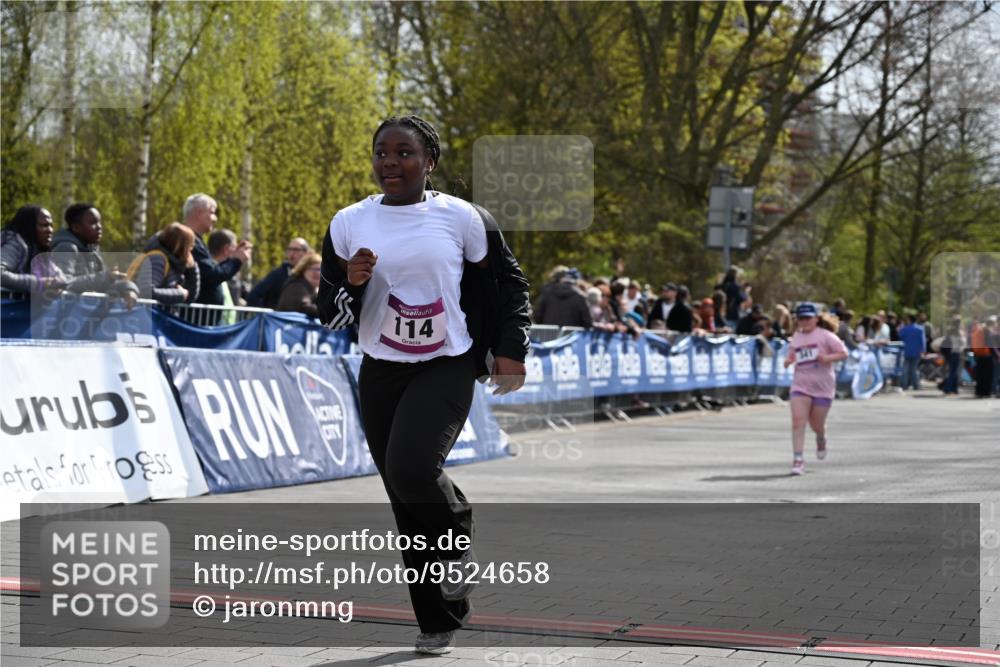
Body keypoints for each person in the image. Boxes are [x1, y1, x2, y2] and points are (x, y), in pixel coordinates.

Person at [316, 115, 530, 655]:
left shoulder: (463, 218)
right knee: (404, 498)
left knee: (415, 471)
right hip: (381, 368)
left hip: (446, 362)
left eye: (404, 153)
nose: (391, 162)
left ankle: (457, 535)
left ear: (429, 161)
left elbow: (508, 285)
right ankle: (438, 620)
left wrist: (510, 350)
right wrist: (351, 282)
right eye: (381, 153)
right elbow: (330, 314)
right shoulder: (348, 223)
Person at [783, 302, 849, 476]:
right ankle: (798, 459)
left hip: (822, 385)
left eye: (807, 318)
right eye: (800, 318)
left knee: (816, 424)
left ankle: (820, 437)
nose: (804, 321)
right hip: (801, 384)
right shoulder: (796, 336)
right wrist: (788, 360)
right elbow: (792, 354)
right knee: (798, 421)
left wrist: (827, 358)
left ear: (816, 318)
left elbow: (843, 353)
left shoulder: (826, 336)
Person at [47, 203, 138, 303]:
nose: (99, 227)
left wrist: (128, 288)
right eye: (93, 223)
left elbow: (104, 285)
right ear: (76, 228)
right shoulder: (66, 248)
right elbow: (62, 283)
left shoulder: (93, 251)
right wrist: (106, 277)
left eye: (99, 222)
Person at [181, 193, 252, 308]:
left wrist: (233, 258)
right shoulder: (188, 240)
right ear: (199, 213)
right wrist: (236, 260)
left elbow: (210, 270)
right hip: (194, 319)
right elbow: (212, 276)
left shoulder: (194, 239)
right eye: (212, 212)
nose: (215, 219)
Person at [125, 222, 199, 305]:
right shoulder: (158, 259)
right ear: (180, 246)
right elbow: (146, 291)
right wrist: (179, 294)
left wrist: (192, 269)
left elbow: (189, 297)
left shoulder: (174, 262)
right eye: (190, 245)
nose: (191, 250)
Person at [1, 205, 63, 299]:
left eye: (51, 226)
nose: (50, 230)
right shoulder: (15, 244)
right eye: (44, 225)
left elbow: (58, 276)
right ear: (29, 226)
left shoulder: (38, 250)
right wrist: (39, 283)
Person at [246, 237, 311, 308]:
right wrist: (268, 315)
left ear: (306, 253)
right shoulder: (278, 274)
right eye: (289, 250)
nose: (291, 254)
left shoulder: (312, 274)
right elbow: (253, 296)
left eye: (296, 250)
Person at [276, 251, 322, 318]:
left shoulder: (313, 289)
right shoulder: (296, 286)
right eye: (315, 269)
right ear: (303, 270)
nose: (318, 273)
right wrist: (328, 312)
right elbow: (304, 308)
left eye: (321, 270)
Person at [938, 316, 965, 395]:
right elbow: (962, 343)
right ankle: (948, 388)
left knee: (953, 372)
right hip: (956, 353)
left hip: (950, 353)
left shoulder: (950, 331)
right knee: (953, 372)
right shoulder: (959, 332)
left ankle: (954, 389)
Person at [898, 314, 925, 391]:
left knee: (905, 370)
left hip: (906, 351)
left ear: (909, 320)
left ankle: (904, 385)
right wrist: (923, 351)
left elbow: (900, 337)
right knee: (915, 370)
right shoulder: (920, 329)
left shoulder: (904, 329)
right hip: (916, 352)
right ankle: (916, 385)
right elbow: (922, 342)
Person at [970, 317, 994, 398]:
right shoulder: (988, 331)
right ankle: (986, 392)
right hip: (987, 355)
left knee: (980, 374)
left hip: (979, 354)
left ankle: (978, 391)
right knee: (987, 375)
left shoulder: (979, 330)